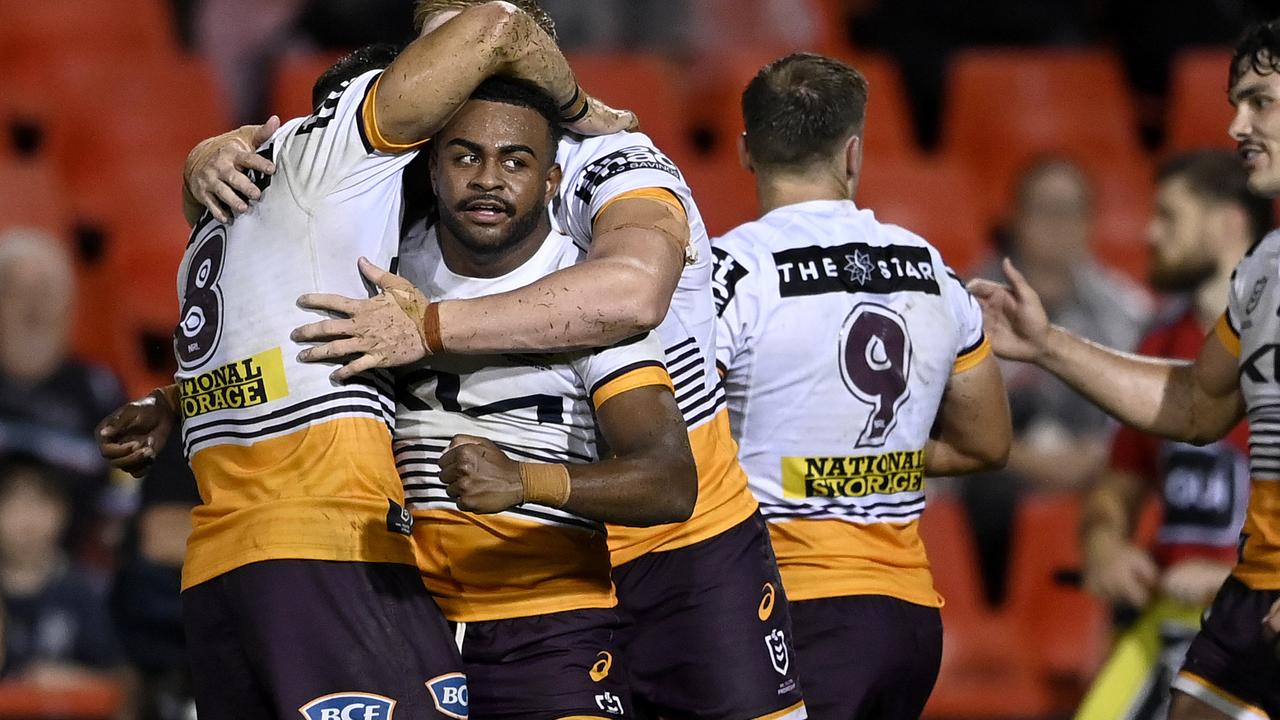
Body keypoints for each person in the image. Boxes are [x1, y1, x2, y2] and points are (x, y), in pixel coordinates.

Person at [188, 2, 808, 717]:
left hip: (674, 553)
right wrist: (207, 158)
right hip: (458, 594)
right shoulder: (401, 211)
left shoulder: (606, 153)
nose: (447, 66)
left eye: (466, 43)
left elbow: (630, 295)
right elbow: (289, 313)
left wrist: (435, 333)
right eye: (432, 50)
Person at [99, 11, 634, 717]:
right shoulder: (346, 151)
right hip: (326, 544)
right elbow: (496, 24)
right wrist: (581, 110)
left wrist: (173, 402)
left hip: (223, 569)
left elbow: (266, 351)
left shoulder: (225, 206)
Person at [969, 19, 1280, 719]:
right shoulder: (1264, 274)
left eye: (1260, 101)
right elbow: (1198, 403)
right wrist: (1048, 345)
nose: (1237, 124)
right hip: (1242, 605)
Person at [384, 75, 696, 718]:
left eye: (515, 161)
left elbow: (669, 481)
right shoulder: (381, 269)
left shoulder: (586, 297)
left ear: (550, 183)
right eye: (465, 156)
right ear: (433, 170)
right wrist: (172, 406)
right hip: (398, 625)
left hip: (549, 631)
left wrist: (527, 482)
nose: (488, 179)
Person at [712, 52, 1011, 719]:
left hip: (786, 610)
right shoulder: (933, 270)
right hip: (907, 617)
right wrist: (862, 466)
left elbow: (674, 444)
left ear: (745, 151)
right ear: (853, 153)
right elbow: (988, 442)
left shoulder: (728, 274)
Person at [1074, 149, 1269, 720]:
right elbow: (1120, 482)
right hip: (1166, 622)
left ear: (1229, 223)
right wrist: (1105, 544)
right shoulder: (1159, 340)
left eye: (1168, 216)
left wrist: (1231, 576)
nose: (1148, 231)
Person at [964, 156, 1152, 603]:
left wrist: (1096, 459)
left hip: (1096, 473)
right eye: (1045, 210)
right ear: (1015, 217)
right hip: (989, 483)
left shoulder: (1128, 311)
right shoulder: (964, 300)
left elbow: (1146, 407)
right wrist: (1019, 456)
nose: (1058, 226)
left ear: (1091, 223)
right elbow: (942, 416)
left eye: (1071, 212)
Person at [0, 229, 126, 552]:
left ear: (69, 306)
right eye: (17, 291)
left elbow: (123, 503)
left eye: (46, 291)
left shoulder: (101, 391)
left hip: (73, 579)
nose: (34, 306)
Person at [0, 456, 120, 683]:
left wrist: (64, 679)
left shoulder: (83, 591)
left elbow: (115, 681)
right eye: (11, 504)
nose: (26, 521)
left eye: (40, 504)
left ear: (63, 512)